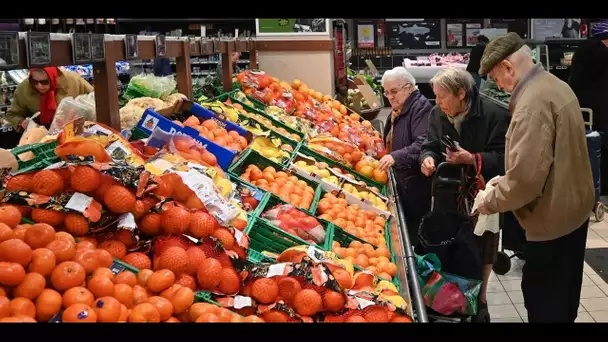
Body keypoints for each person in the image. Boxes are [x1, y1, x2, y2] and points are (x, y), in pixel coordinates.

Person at [476, 32, 594, 323]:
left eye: (496, 77)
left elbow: (526, 181)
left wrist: (489, 200)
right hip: (573, 212)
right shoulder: (554, 85)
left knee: (544, 302)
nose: (498, 85)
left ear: (507, 66)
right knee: (565, 297)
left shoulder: (531, 104)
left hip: (552, 222)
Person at [419, 66, 508, 322]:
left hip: (485, 195)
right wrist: (427, 159)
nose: (438, 103)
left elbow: (507, 160)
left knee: (484, 245)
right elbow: (430, 145)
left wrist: (472, 158)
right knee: (451, 244)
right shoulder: (438, 113)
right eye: (435, 96)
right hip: (449, 192)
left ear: (461, 93)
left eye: (442, 96)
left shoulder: (495, 114)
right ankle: (451, 296)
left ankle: (481, 300)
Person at [379, 67, 433, 246]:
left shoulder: (421, 108)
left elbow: (423, 143)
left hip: (415, 184)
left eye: (394, 91)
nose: (390, 97)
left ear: (409, 87)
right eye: (386, 93)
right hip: (403, 180)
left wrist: (395, 156)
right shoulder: (398, 110)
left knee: (414, 232)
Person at [568, 19, 608, 194]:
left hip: (582, 111)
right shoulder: (602, 54)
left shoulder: (582, 51)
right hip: (601, 113)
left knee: (591, 152)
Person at [6, 67, 93, 132]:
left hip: (75, 131)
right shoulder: (24, 88)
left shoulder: (73, 80)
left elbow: (95, 98)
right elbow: (13, 115)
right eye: (34, 82)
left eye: (44, 82)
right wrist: (21, 123)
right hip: (41, 134)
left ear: (53, 78)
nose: (39, 86)